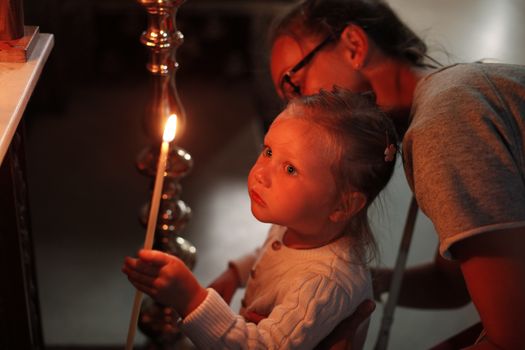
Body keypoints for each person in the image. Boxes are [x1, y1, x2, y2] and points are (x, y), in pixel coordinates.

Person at [268, 0, 525, 349]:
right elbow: (451, 285)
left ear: (354, 46)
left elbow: (512, 336)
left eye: (295, 86)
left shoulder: (445, 120)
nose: (296, 113)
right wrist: (341, 289)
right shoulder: (449, 101)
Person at [123, 88, 398, 349]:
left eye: (290, 169)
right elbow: (271, 253)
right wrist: (235, 274)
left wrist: (192, 299)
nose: (261, 173)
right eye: (268, 151)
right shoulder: (301, 225)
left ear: (343, 204)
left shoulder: (323, 284)